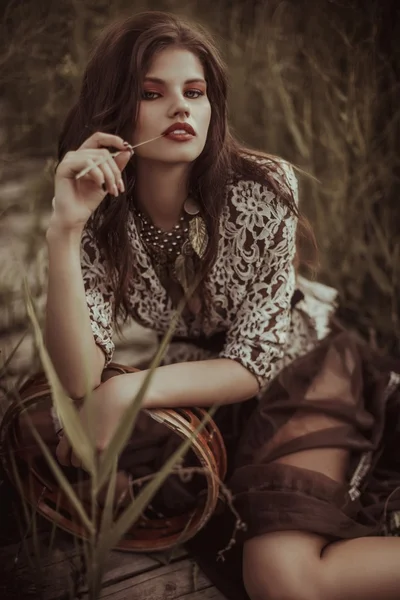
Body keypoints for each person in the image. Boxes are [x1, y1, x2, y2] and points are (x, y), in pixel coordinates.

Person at [43, 10, 400, 600]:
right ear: (111, 110)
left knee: (281, 579)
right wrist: (64, 230)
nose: (181, 108)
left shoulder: (263, 188)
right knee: (61, 442)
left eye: (195, 92)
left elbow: (254, 364)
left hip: (300, 366)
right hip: (197, 372)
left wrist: (129, 389)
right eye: (152, 93)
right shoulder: (95, 207)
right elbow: (79, 376)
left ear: (214, 106)